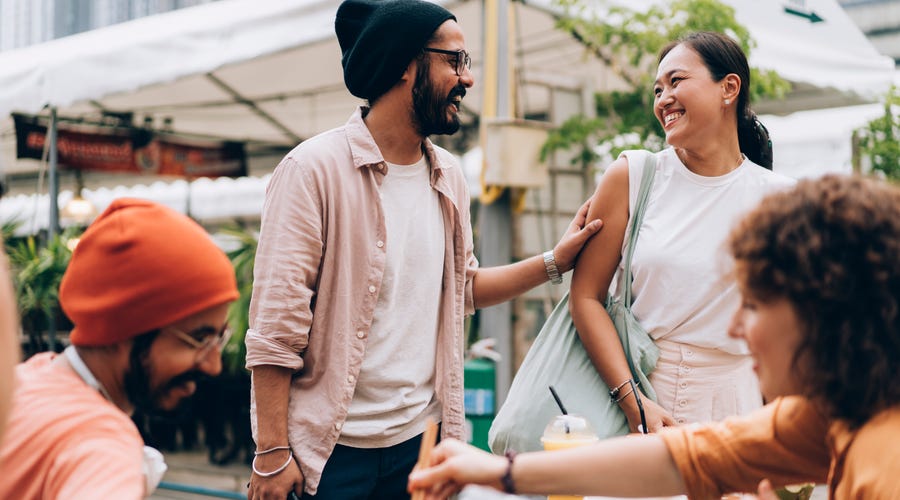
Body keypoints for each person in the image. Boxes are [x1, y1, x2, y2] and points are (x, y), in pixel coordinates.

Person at [244, 0, 602, 498]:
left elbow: (463, 287)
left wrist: (554, 262)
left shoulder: (449, 177)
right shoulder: (312, 171)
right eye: (454, 60)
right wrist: (270, 453)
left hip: (421, 444)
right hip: (330, 457)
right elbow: (274, 329)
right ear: (405, 65)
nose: (467, 79)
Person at [408, 174, 900, 499]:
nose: (734, 329)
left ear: (825, 312)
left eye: (751, 306)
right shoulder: (830, 414)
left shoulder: (885, 466)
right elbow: (683, 456)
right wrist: (500, 472)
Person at [567, 31, 794, 435]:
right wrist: (634, 400)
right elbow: (585, 298)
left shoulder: (780, 198)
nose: (662, 99)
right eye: (657, 90)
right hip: (643, 397)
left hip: (741, 405)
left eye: (676, 81)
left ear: (729, 88)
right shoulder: (632, 175)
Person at [0, 198, 239, 499]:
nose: (214, 365)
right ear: (126, 326)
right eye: (199, 339)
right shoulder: (100, 445)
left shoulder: (27, 379)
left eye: (219, 338)